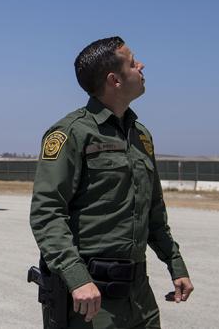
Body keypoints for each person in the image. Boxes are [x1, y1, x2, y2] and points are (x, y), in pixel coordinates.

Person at [29, 36, 193, 328]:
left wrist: (175, 264)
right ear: (114, 79)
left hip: (139, 295)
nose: (141, 65)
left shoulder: (140, 136)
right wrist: (78, 279)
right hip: (91, 299)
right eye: (133, 62)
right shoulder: (70, 133)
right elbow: (47, 213)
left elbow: (153, 210)